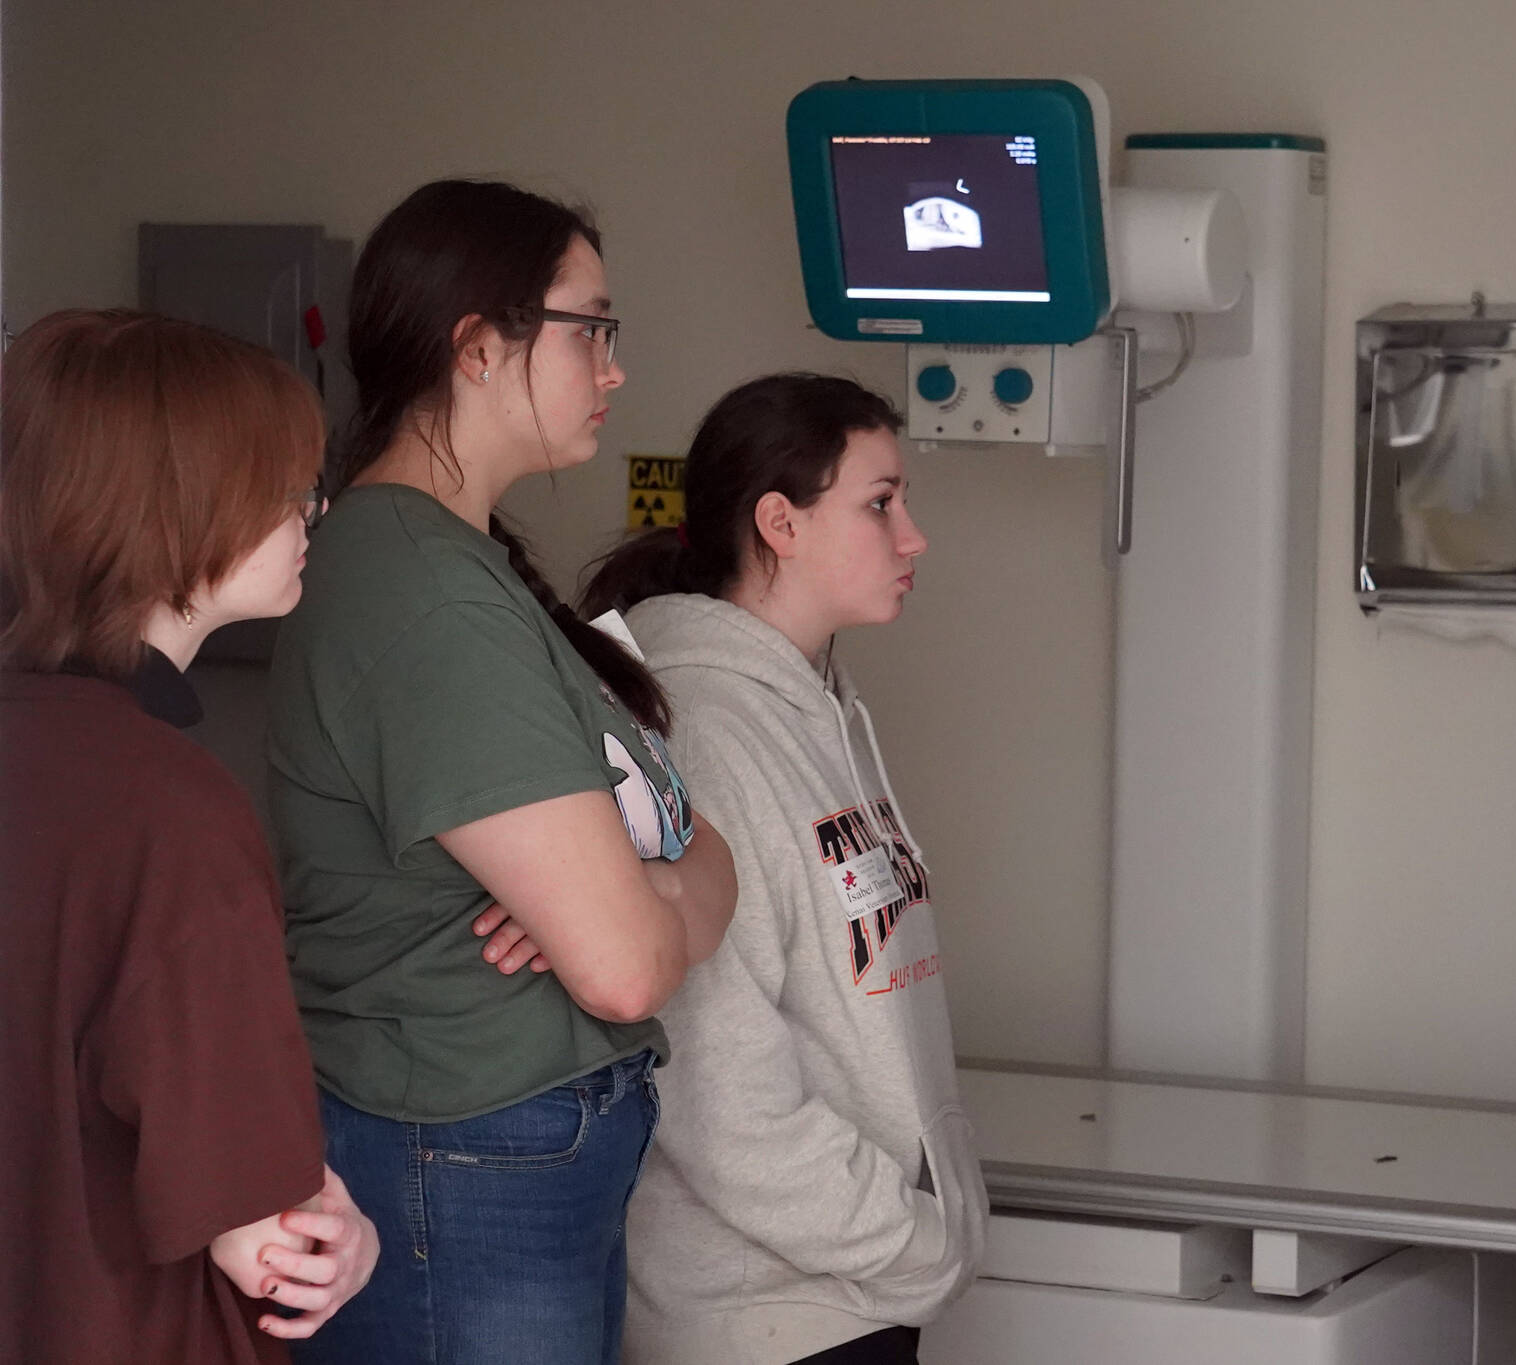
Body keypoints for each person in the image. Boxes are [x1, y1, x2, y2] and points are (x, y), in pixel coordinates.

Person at [266, 180, 737, 1363]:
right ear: (478, 346)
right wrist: (649, 896)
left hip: (500, 1154)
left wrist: (654, 885)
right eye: (594, 328)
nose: (615, 369)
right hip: (463, 1161)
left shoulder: (462, 565)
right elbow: (627, 967)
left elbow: (697, 848)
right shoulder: (423, 593)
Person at [578, 374, 987, 1365]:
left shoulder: (817, 708)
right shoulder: (703, 729)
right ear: (779, 523)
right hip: (763, 1316)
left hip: (838, 1299)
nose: (911, 536)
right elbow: (713, 1078)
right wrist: (905, 1241)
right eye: (879, 503)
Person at [0, 310, 379, 1363]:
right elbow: (267, 1242)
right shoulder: (166, 808)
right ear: (175, 508)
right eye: (282, 480)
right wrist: (354, 1235)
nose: (314, 507)